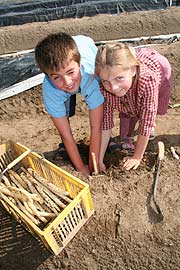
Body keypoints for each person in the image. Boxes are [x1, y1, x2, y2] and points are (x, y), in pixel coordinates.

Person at [35, 32, 104, 176]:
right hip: (60, 91)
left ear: (79, 64)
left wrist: (94, 163)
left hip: (86, 47)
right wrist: (80, 167)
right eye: (57, 77)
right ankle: (69, 152)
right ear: (47, 76)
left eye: (70, 72)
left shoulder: (91, 77)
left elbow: (96, 127)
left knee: (101, 103)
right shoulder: (50, 90)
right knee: (65, 109)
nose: (67, 81)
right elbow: (66, 134)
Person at [95, 42, 172, 171]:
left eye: (119, 78)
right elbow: (106, 123)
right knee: (128, 109)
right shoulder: (105, 88)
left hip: (161, 69)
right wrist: (99, 159)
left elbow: (146, 124)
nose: (113, 87)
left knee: (147, 113)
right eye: (105, 81)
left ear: (133, 70)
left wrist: (137, 157)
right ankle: (129, 131)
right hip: (132, 84)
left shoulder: (148, 81)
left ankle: (147, 129)